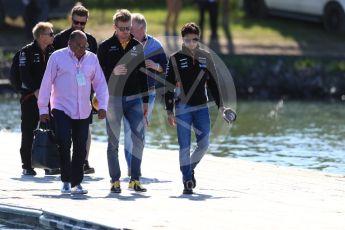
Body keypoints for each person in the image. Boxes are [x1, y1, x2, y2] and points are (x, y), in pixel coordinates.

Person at [37, 30, 109, 194]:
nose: (82, 48)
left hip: (83, 110)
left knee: (80, 148)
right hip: (61, 107)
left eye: (85, 45)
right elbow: (46, 83)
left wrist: (103, 105)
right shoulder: (57, 57)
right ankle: (65, 180)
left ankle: (77, 183)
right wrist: (43, 109)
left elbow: (100, 84)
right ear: (70, 43)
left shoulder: (92, 58)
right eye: (79, 45)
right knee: (64, 142)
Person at [165, 22, 225, 194]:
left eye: (195, 39)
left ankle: (189, 168)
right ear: (182, 40)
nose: (191, 43)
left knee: (204, 144)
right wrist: (169, 110)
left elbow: (214, 83)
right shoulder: (175, 58)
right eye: (188, 40)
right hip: (182, 107)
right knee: (184, 146)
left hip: (201, 107)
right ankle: (187, 180)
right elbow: (168, 86)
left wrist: (221, 106)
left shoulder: (206, 57)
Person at [97, 9, 148, 193]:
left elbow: (143, 75)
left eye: (128, 28)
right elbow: (96, 75)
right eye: (122, 29)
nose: (126, 32)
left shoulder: (137, 46)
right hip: (113, 99)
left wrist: (145, 101)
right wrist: (113, 72)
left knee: (139, 139)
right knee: (113, 142)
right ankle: (115, 180)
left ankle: (135, 179)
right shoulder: (104, 47)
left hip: (134, 99)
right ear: (115, 27)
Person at [53, 3, 97, 174]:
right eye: (76, 22)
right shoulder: (60, 39)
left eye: (82, 24)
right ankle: (61, 161)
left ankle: (84, 161)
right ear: (71, 20)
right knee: (63, 129)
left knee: (85, 128)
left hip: (85, 91)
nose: (79, 26)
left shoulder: (91, 41)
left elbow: (96, 69)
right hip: (63, 92)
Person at [122, 13, 167, 176]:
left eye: (131, 29)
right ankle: (131, 167)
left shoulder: (155, 45)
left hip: (149, 94)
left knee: (140, 131)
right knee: (128, 131)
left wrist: (155, 66)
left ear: (141, 29)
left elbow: (165, 68)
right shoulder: (125, 43)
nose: (128, 31)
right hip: (127, 94)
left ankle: (135, 165)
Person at [13, 21, 55, 176]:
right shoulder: (26, 52)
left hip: (49, 98)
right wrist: (35, 90)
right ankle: (27, 165)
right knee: (29, 131)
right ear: (41, 36)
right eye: (50, 33)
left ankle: (48, 163)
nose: (53, 36)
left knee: (50, 130)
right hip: (31, 98)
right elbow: (24, 75)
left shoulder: (53, 52)